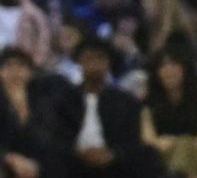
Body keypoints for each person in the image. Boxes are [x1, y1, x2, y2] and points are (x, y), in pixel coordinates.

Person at [53, 38, 155, 178]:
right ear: (80, 62)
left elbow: (132, 140)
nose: (94, 64)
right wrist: (78, 153)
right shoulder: (64, 100)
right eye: (89, 59)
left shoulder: (125, 101)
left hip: (114, 163)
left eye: (100, 59)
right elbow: (57, 138)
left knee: (147, 155)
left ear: (108, 63)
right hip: (73, 162)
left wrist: (112, 155)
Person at [0, 48, 63, 178]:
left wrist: (23, 111)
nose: (15, 72)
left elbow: (46, 141)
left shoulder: (42, 104)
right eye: (9, 65)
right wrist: (10, 158)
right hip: (0, 163)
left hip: (36, 164)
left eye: (21, 66)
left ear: (31, 73)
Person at [142, 48, 197, 177]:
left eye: (174, 64)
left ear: (186, 69)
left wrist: (180, 143)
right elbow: (149, 142)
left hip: (196, 162)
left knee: (185, 148)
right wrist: (182, 144)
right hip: (160, 164)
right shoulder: (148, 104)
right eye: (163, 66)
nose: (168, 70)